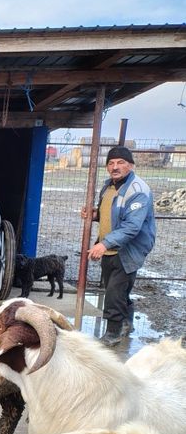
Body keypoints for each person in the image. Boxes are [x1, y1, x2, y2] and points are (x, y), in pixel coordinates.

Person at [80, 146, 156, 347]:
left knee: (114, 292)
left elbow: (132, 227)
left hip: (129, 249)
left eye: (121, 163)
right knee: (118, 290)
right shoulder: (109, 187)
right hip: (111, 247)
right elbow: (112, 215)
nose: (115, 167)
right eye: (111, 163)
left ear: (131, 165)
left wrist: (104, 244)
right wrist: (95, 215)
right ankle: (126, 322)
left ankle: (113, 334)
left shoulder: (138, 191)